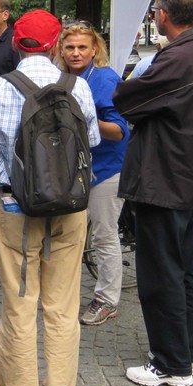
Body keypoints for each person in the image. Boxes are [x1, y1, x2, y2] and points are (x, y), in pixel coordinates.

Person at [0, 10, 100, 386]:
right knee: (62, 309)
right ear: (55, 43)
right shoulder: (77, 86)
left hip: (17, 205)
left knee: (20, 307)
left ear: (17, 43)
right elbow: (89, 142)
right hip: (70, 209)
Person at [115, 0, 193, 386]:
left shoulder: (178, 59)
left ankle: (170, 363)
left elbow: (129, 100)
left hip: (165, 182)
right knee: (183, 270)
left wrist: (121, 82)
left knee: (161, 276)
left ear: (161, 13)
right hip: (189, 180)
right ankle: (188, 354)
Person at [57, 21, 129, 326]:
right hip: (73, 169)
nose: (76, 53)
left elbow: (120, 131)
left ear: (94, 49)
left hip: (106, 168)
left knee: (103, 235)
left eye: (82, 47)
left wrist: (85, 120)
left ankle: (107, 300)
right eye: (70, 47)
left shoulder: (105, 79)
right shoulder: (61, 78)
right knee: (67, 234)